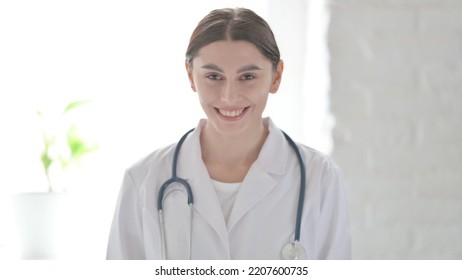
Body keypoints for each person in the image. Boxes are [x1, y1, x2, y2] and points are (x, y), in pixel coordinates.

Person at [107, 7, 351, 260]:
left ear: (275, 77)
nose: (229, 96)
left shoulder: (320, 178)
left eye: (247, 76)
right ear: (191, 76)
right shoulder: (144, 180)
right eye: (214, 76)